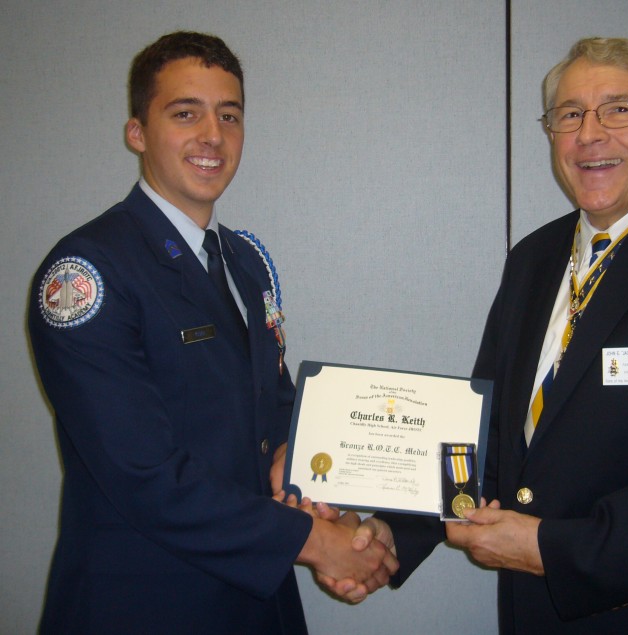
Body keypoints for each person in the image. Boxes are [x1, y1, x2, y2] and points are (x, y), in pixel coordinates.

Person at [330, 37, 628, 633]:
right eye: (569, 115)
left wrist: (551, 549)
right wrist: (394, 533)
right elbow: (488, 437)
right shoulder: (534, 258)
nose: (589, 133)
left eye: (619, 109)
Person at [28, 31, 395, 634]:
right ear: (137, 132)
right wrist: (312, 541)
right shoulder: (88, 271)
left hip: (253, 598)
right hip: (144, 602)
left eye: (230, 115)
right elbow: (143, 473)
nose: (212, 135)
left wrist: (292, 459)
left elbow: (269, 404)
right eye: (184, 113)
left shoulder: (242, 261)